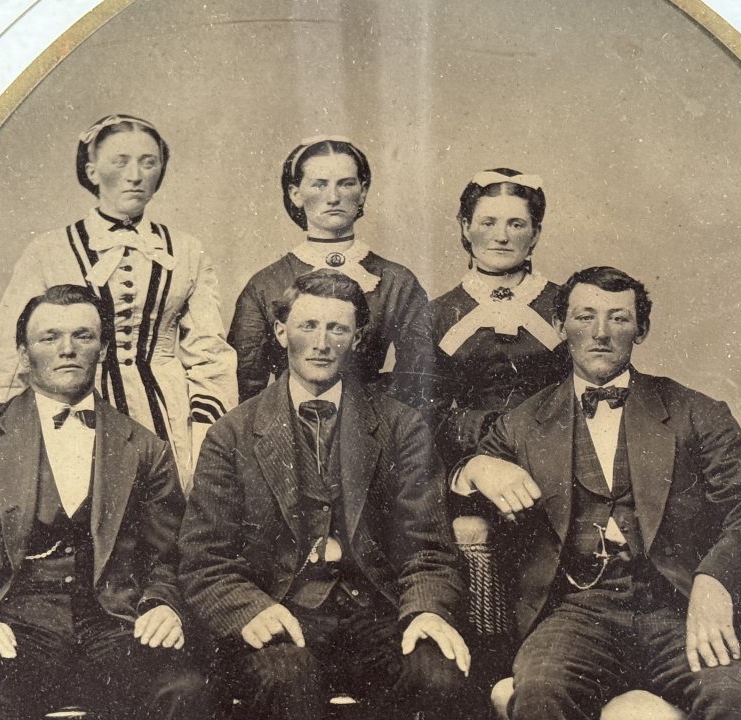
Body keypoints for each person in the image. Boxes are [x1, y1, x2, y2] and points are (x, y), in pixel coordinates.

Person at [454, 267, 741, 720]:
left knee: (732, 698)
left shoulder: (695, 412)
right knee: (540, 694)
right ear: (560, 326)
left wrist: (717, 583)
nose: (600, 333)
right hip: (576, 613)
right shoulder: (523, 422)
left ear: (642, 329)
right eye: (584, 317)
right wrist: (476, 466)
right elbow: (458, 489)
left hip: (677, 605)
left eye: (618, 319)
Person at [181, 269, 471, 719]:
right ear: (280, 332)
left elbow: (428, 549)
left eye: (337, 328)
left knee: (438, 673)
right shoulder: (232, 433)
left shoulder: (400, 426)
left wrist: (425, 611)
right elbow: (205, 559)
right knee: (287, 679)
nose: (321, 342)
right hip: (280, 612)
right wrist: (251, 611)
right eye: (307, 326)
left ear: (357, 338)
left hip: (379, 613)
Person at [0, 285, 209, 720]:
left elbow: (175, 556)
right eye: (49, 337)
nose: (67, 349)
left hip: (113, 626)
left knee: (184, 692)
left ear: (104, 349)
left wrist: (164, 604)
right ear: (22, 353)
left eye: (83, 336)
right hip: (5, 626)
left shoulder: (146, 449)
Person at [0, 114, 237, 492]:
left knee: (167, 521)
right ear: (92, 171)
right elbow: (5, 362)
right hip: (77, 404)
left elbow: (210, 354)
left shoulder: (187, 251)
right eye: (120, 161)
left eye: (149, 162)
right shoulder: (48, 250)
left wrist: (208, 430)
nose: (136, 175)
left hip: (168, 417)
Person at [229, 135, 430, 407]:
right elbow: (246, 384)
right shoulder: (266, 283)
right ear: (296, 194)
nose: (333, 197)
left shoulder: (397, 281)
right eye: (319, 185)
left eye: (346, 184)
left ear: (363, 191)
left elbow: (418, 378)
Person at [429, 168, 571, 471]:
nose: (501, 237)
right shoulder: (436, 314)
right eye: (488, 222)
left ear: (535, 233)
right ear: (466, 227)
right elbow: (424, 415)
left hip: (557, 460)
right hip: (465, 464)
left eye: (516, 224)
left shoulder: (567, 304)